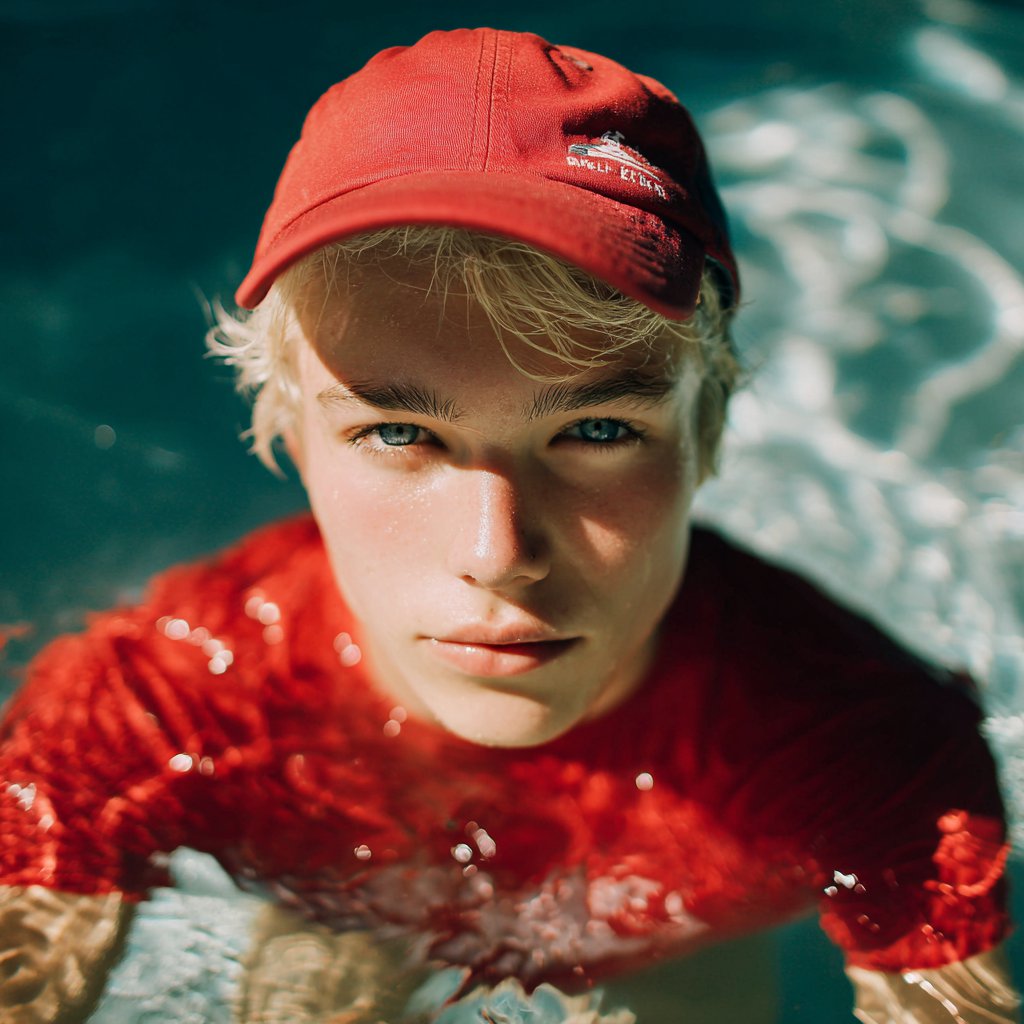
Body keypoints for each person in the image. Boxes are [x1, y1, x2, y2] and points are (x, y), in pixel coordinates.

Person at [0, 27, 1018, 1024]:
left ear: (709, 432)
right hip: (337, 887)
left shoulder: (862, 751)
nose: (498, 553)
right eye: (401, 431)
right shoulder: (152, 711)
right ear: (289, 438)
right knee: (322, 970)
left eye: (599, 426)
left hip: (679, 945)